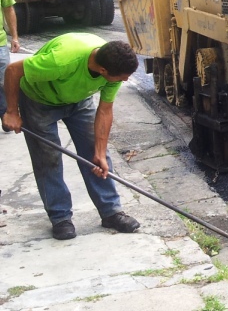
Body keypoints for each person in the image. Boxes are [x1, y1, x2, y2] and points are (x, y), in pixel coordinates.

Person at [2, 33, 141, 240]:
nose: (126, 80)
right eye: (122, 77)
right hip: (39, 101)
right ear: (103, 70)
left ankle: (111, 212)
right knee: (48, 158)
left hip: (79, 101)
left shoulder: (113, 64)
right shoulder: (61, 61)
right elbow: (13, 70)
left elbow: (105, 111)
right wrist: (12, 111)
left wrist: (100, 152)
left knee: (96, 154)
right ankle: (60, 218)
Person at [0, 0, 19, 120]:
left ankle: (6, 114)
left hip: (0, 44)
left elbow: (9, 9)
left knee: (4, 82)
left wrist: (15, 37)